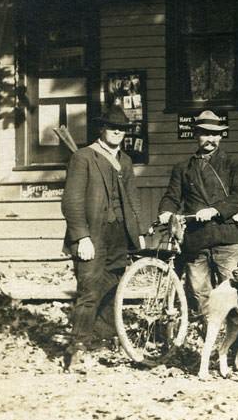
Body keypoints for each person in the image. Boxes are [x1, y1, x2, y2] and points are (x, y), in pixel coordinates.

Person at [61, 106, 145, 371]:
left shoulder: (126, 161)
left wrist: (138, 233)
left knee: (113, 289)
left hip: (119, 236)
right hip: (93, 236)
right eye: (112, 127)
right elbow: (71, 202)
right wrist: (82, 237)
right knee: (89, 290)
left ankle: (102, 341)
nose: (118, 132)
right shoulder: (83, 157)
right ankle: (77, 348)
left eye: (122, 129)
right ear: (102, 129)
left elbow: (132, 202)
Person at [158, 110, 238, 324]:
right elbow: (171, 196)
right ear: (196, 135)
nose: (210, 139)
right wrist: (166, 212)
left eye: (215, 134)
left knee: (235, 291)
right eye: (205, 134)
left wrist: (215, 210)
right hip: (196, 241)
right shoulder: (182, 168)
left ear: (220, 136)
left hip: (226, 237)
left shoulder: (233, 163)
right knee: (199, 293)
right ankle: (208, 335)